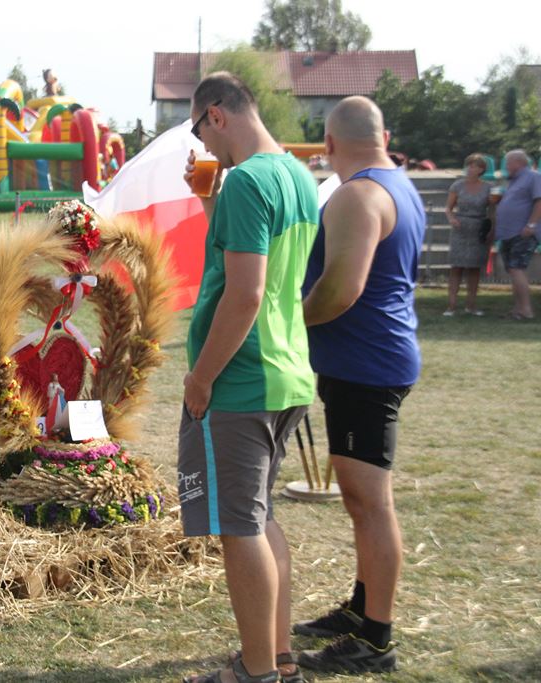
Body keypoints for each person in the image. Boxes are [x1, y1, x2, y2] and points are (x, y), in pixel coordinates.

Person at [179, 72, 318, 683]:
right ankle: (278, 658)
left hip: (241, 382)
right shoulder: (295, 175)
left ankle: (256, 672)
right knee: (259, 519)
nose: (202, 146)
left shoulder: (247, 182)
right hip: (287, 373)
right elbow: (247, 261)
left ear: (216, 115)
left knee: (238, 529)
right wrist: (209, 201)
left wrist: (202, 378)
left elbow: (246, 294)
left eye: (197, 131)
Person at [296, 96, 425, 674]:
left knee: (369, 503)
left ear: (327, 143)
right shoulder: (398, 184)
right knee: (360, 500)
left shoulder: (356, 195)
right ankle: (360, 607)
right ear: (384, 134)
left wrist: (284, 320)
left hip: (365, 367)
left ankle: (376, 638)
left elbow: (339, 290)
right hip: (373, 360)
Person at [443, 153, 493, 315]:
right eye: (469, 165)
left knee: (474, 268)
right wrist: (452, 218)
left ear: (481, 169)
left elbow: (492, 208)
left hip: (478, 227)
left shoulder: (488, 187)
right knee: (456, 266)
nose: (470, 169)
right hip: (460, 227)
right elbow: (448, 208)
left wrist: (491, 229)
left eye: (474, 166)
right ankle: (451, 305)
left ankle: (471, 305)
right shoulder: (457, 186)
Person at [493, 149, 541, 319]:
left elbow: (539, 201)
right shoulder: (513, 180)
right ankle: (518, 309)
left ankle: (526, 310)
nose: (506, 166)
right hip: (508, 233)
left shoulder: (533, 177)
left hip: (524, 232)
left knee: (516, 268)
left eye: (508, 162)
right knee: (513, 270)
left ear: (518, 162)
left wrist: (531, 224)